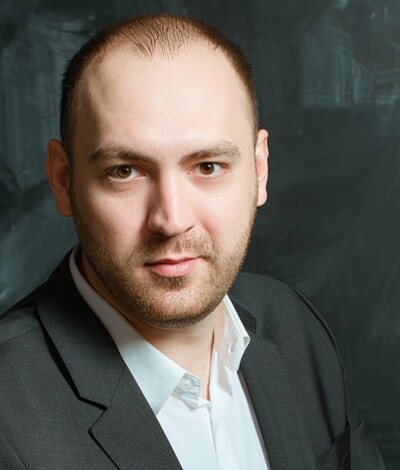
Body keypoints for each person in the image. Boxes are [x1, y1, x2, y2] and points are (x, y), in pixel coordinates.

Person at [0, 13, 384, 470]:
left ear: (259, 170)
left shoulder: (295, 326)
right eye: (125, 171)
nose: (172, 220)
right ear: (63, 180)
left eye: (208, 167)